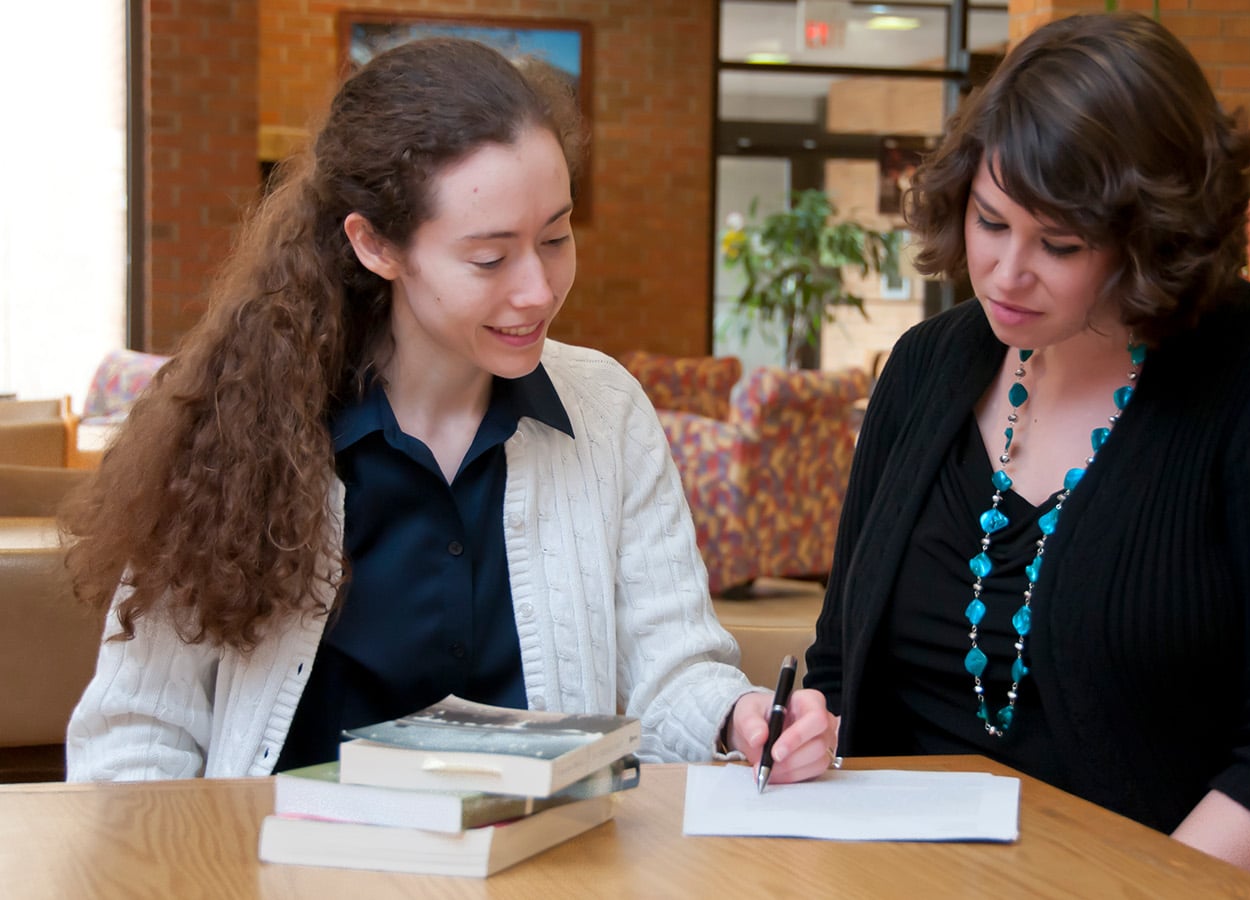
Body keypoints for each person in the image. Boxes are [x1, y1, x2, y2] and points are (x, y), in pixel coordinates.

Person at [63, 37, 834, 785]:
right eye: (490, 258)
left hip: (545, 864)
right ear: (375, 245)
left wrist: (736, 715)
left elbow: (673, 667)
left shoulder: (607, 410)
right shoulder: (235, 427)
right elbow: (138, 734)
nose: (537, 290)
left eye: (557, 237)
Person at [805, 13, 1250, 898]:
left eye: (1060, 244)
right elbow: (840, 665)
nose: (1007, 273)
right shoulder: (928, 367)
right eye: (989, 221)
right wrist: (800, 731)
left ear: (1154, 236)